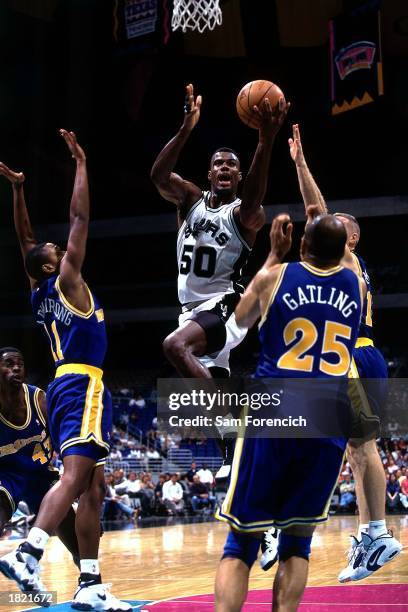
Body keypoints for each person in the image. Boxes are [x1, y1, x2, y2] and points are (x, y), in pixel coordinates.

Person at [0, 131, 130, 611]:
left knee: (93, 484)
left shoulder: (39, 293)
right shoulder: (68, 280)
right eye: (56, 250)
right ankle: (29, 552)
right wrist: (81, 163)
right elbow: (79, 217)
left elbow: (26, 241)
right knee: (76, 477)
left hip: (62, 387)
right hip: (81, 382)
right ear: (54, 265)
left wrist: (17, 192)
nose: (59, 245)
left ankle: (90, 582)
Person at [215, 213, 365, 612]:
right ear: (345, 250)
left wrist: (272, 255)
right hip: (328, 417)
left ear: (302, 246)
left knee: (242, 540)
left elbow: (239, 321)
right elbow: (337, 248)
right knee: (297, 541)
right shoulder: (356, 284)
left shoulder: (276, 276)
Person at [288, 123, 402, 582]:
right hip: (361, 353)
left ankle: (375, 531)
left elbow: (316, 209)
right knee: (358, 449)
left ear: (349, 238)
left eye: (340, 226)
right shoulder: (348, 265)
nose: (330, 227)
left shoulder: (347, 258)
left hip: (355, 354)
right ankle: (372, 533)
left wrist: (299, 163)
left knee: (356, 445)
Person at [151, 83, 290, 379]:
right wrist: (186, 129)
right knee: (208, 401)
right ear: (210, 174)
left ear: (240, 175)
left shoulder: (243, 214)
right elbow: (159, 176)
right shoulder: (190, 200)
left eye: (231, 165)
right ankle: (228, 424)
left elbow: (253, 201)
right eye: (218, 164)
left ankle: (224, 420)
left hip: (226, 306)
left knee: (175, 346)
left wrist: (265, 142)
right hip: (192, 312)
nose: (224, 168)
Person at [0, 347, 79, 565]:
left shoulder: (38, 398)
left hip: (40, 474)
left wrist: (81, 500)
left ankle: (91, 586)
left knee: (79, 542)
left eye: (20, 363)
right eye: (9, 363)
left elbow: (64, 442)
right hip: (6, 475)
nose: (16, 367)